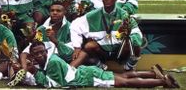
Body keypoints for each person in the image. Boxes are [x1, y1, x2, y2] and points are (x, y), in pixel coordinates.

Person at [24, 41, 179, 88]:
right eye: (36, 53)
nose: (39, 55)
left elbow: (59, 84)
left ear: (46, 51)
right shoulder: (50, 61)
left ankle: (162, 81)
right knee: (124, 76)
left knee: (125, 82)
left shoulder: (52, 62)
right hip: (88, 72)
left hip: (89, 77)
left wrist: (35, 73)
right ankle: (154, 74)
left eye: (41, 52)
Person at [71, 0, 142, 71]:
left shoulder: (124, 15)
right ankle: (99, 64)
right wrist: (77, 47)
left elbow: (137, 34)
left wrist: (127, 37)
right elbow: (74, 25)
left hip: (119, 52)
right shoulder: (93, 15)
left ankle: (129, 67)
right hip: (102, 52)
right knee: (89, 46)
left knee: (136, 46)